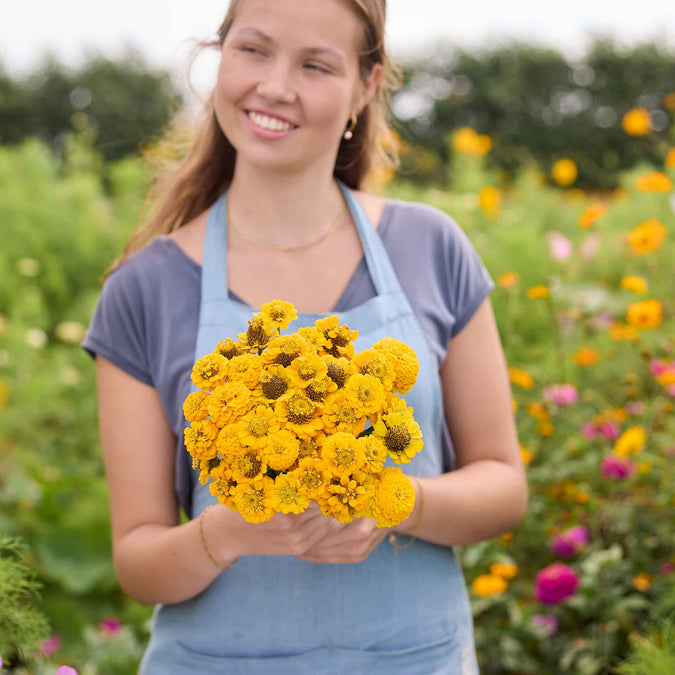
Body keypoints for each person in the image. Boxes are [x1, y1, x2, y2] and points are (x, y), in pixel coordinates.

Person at [82, 0, 528, 672]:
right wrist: (230, 532)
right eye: (253, 50)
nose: (275, 86)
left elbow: (502, 486)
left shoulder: (430, 248)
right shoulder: (144, 290)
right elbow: (139, 561)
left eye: (316, 64)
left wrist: (390, 498)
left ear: (364, 87)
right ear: (220, 55)